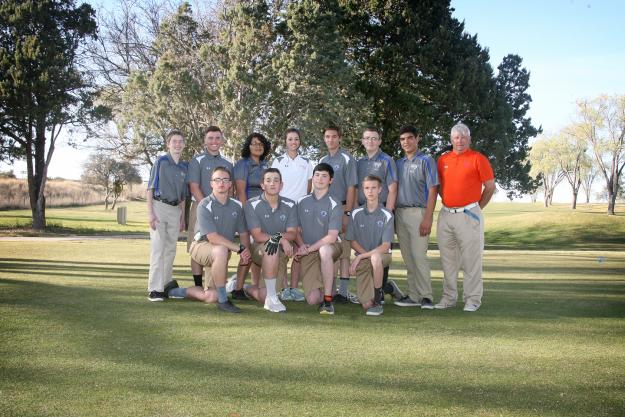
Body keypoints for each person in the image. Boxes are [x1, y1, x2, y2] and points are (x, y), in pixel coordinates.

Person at [167, 166, 252, 313]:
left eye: (225, 180)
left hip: (221, 252)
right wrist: (239, 249)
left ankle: (174, 291)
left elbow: (244, 234)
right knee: (221, 249)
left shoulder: (236, 206)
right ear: (211, 183)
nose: (221, 183)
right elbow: (212, 237)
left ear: (230, 184)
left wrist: (246, 252)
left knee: (211, 296)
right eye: (217, 180)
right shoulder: (205, 204)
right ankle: (224, 301)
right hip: (201, 246)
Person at [435, 123, 495, 312]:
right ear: (451, 139)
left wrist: (476, 208)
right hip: (446, 215)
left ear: (469, 139)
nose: (459, 140)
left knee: (471, 260)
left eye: (463, 137)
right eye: (456, 137)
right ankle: (448, 298)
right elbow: (438, 187)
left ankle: (472, 300)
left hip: (469, 215)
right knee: (448, 261)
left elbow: (490, 186)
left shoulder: (478, 159)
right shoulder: (443, 159)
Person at [354, 126, 403, 302]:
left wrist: (387, 213)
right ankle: (385, 287)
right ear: (362, 141)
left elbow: (392, 188)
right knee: (367, 251)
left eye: (374, 138)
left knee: (380, 251)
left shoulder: (386, 160)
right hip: (363, 213)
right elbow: (355, 188)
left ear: (380, 141)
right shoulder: (359, 162)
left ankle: (380, 292)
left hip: (381, 211)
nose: (370, 141)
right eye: (367, 138)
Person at [393, 125, 439, 309]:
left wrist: (428, 218)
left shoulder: (426, 160)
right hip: (400, 213)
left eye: (410, 138)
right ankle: (413, 295)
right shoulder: (398, 163)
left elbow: (433, 189)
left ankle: (426, 296)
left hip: (419, 213)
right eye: (402, 139)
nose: (406, 142)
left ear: (418, 138)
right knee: (408, 257)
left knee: (419, 256)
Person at [242, 168, 298, 312]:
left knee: (262, 295)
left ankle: (245, 287)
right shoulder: (251, 204)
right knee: (271, 247)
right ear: (262, 185)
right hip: (259, 250)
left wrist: (280, 238)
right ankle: (272, 298)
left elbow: (292, 234)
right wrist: (281, 239)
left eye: (276, 180)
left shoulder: (291, 205)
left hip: (281, 254)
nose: (272, 183)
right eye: (268, 180)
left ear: (281, 185)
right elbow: (258, 236)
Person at [187, 126, 233, 288]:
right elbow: (194, 186)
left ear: (222, 140)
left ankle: (214, 285)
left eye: (217, 138)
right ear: (205, 140)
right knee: (198, 244)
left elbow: (230, 189)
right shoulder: (197, 160)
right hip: (199, 207)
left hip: (222, 210)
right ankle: (198, 286)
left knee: (219, 245)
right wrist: (207, 208)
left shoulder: (227, 162)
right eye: (210, 138)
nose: (214, 141)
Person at [271, 128, 312, 302]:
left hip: (300, 209)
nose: (293, 142)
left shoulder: (307, 162)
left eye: (296, 139)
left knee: (297, 250)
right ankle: (283, 287)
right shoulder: (278, 161)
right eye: (290, 139)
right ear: (285, 142)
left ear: (299, 142)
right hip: (282, 209)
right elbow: (272, 183)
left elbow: (309, 186)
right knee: (282, 247)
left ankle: (294, 288)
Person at [295, 163, 343, 315]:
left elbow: (332, 236)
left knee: (325, 250)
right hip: (308, 250)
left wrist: (308, 249)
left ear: (331, 180)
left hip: (330, 247)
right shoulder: (301, 201)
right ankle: (329, 283)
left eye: (324, 176)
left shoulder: (335, 203)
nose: (320, 179)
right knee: (312, 299)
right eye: (317, 175)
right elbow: (295, 230)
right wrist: (302, 246)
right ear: (313, 178)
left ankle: (328, 300)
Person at [319, 125, 359, 304]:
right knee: (330, 249)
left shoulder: (347, 158)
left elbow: (352, 187)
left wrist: (348, 213)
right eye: (327, 136)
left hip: (343, 208)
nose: (330, 140)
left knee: (344, 251)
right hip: (326, 211)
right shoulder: (322, 159)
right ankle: (332, 290)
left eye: (334, 136)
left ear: (339, 138)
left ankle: (343, 292)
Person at [146, 130, 188, 302]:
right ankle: (154, 289)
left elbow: (184, 195)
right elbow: (150, 188)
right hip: (159, 206)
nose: (177, 144)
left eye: (180, 141)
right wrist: (150, 213)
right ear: (168, 144)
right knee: (158, 248)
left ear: (184, 144)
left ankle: (165, 285)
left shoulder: (185, 166)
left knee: (170, 249)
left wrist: (182, 217)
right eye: (174, 141)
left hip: (175, 210)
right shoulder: (161, 161)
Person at [346, 175, 395, 316]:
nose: (370, 191)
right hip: (364, 258)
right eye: (367, 188)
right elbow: (352, 240)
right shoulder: (356, 213)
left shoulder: (387, 214)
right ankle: (388, 288)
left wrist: (361, 256)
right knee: (366, 304)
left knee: (375, 258)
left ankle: (379, 301)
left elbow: (385, 246)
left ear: (380, 190)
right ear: (363, 190)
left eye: (374, 188)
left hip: (382, 256)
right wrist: (363, 255)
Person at [231, 133, 271, 299]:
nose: (258, 146)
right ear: (248, 146)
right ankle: (238, 288)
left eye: (260, 144)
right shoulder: (242, 164)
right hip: (247, 212)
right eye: (254, 143)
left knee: (256, 250)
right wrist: (249, 214)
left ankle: (253, 286)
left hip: (264, 212)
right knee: (247, 249)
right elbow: (240, 192)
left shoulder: (266, 165)